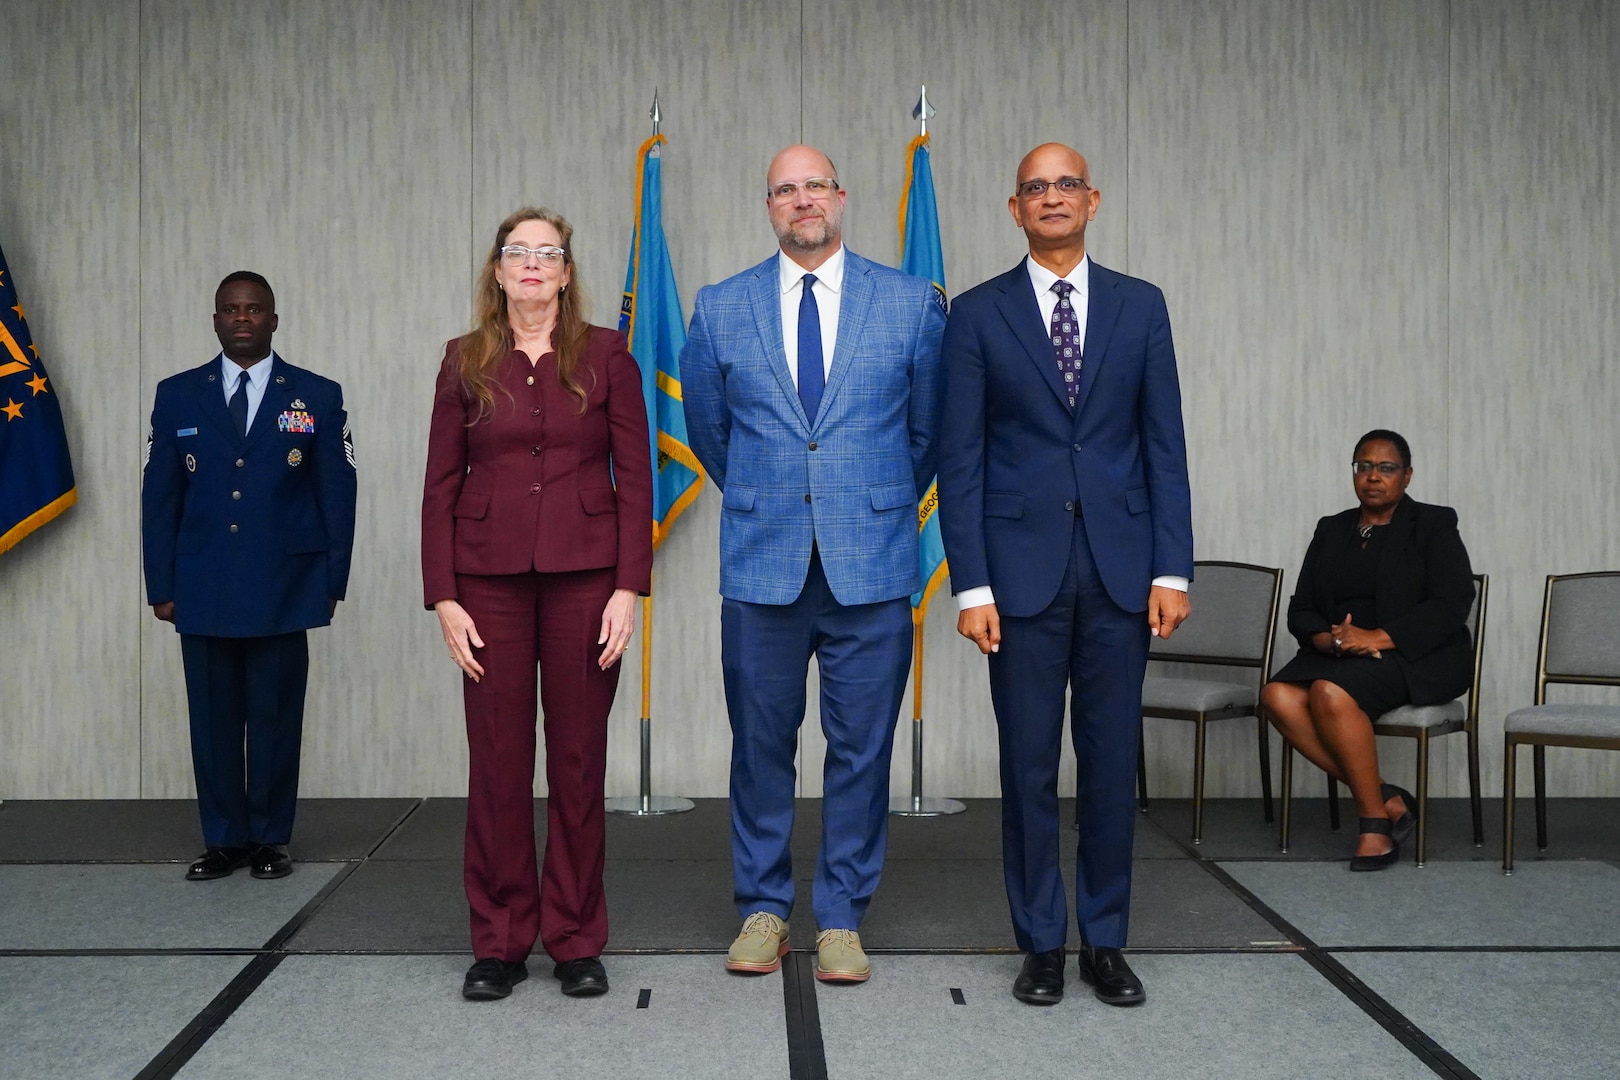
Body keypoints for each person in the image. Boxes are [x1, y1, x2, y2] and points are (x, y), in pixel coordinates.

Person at [936, 144, 1193, 1008]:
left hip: (1125, 574)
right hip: (1017, 580)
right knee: (1029, 767)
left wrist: (1172, 568)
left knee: (1114, 764)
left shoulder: (1140, 306)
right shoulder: (975, 315)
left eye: (1066, 184)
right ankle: (1042, 942)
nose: (1053, 197)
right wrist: (970, 587)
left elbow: (1166, 448)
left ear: (1094, 200)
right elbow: (959, 460)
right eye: (1035, 187)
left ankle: (1106, 941)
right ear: (1015, 210)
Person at [682, 145, 944, 984]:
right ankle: (763, 909)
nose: (803, 201)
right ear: (769, 206)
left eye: (816, 186)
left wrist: (858, 500)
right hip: (762, 562)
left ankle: (839, 916)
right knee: (760, 743)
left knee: (861, 747)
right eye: (785, 190)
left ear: (842, 196)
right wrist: (774, 495)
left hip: (871, 561)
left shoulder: (910, 305)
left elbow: (927, 437)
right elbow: (710, 434)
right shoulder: (721, 307)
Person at [421, 208, 652, 1002]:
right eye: (516, 252)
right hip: (485, 585)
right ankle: (500, 941)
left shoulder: (609, 356)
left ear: (564, 271)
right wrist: (444, 596)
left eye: (545, 254)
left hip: (589, 581)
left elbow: (637, 477)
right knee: (497, 766)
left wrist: (629, 587)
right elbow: (439, 487)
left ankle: (577, 939)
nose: (530, 265)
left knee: (579, 766)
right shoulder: (463, 360)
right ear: (496, 270)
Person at [142, 271, 357, 884]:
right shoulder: (178, 395)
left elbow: (337, 492)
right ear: (214, 320)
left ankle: (269, 838)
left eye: (254, 309)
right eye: (231, 309)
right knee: (211, 718)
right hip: (202, 582)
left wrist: (331, 581)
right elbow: (159, 494)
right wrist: (161, 584)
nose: (242, 318)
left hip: (284, 586)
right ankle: (223, 839)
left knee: (273, 714)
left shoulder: (315, 394)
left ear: (273, 319)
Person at [1261, 429, 1473, 871]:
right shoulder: (1331, 528)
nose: (1373, 477)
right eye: (1364, 466)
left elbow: (1452, 603)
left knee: (1328, 693)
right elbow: (1301, 607)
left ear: (1407, 476)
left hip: (1416, 654)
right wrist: (1328, 639)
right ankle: (1387, 797)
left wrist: (1374, 638)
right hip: (1339, 653)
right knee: (1275, 696)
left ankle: (1374, 824)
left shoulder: (1433, 524)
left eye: (1386, 468)